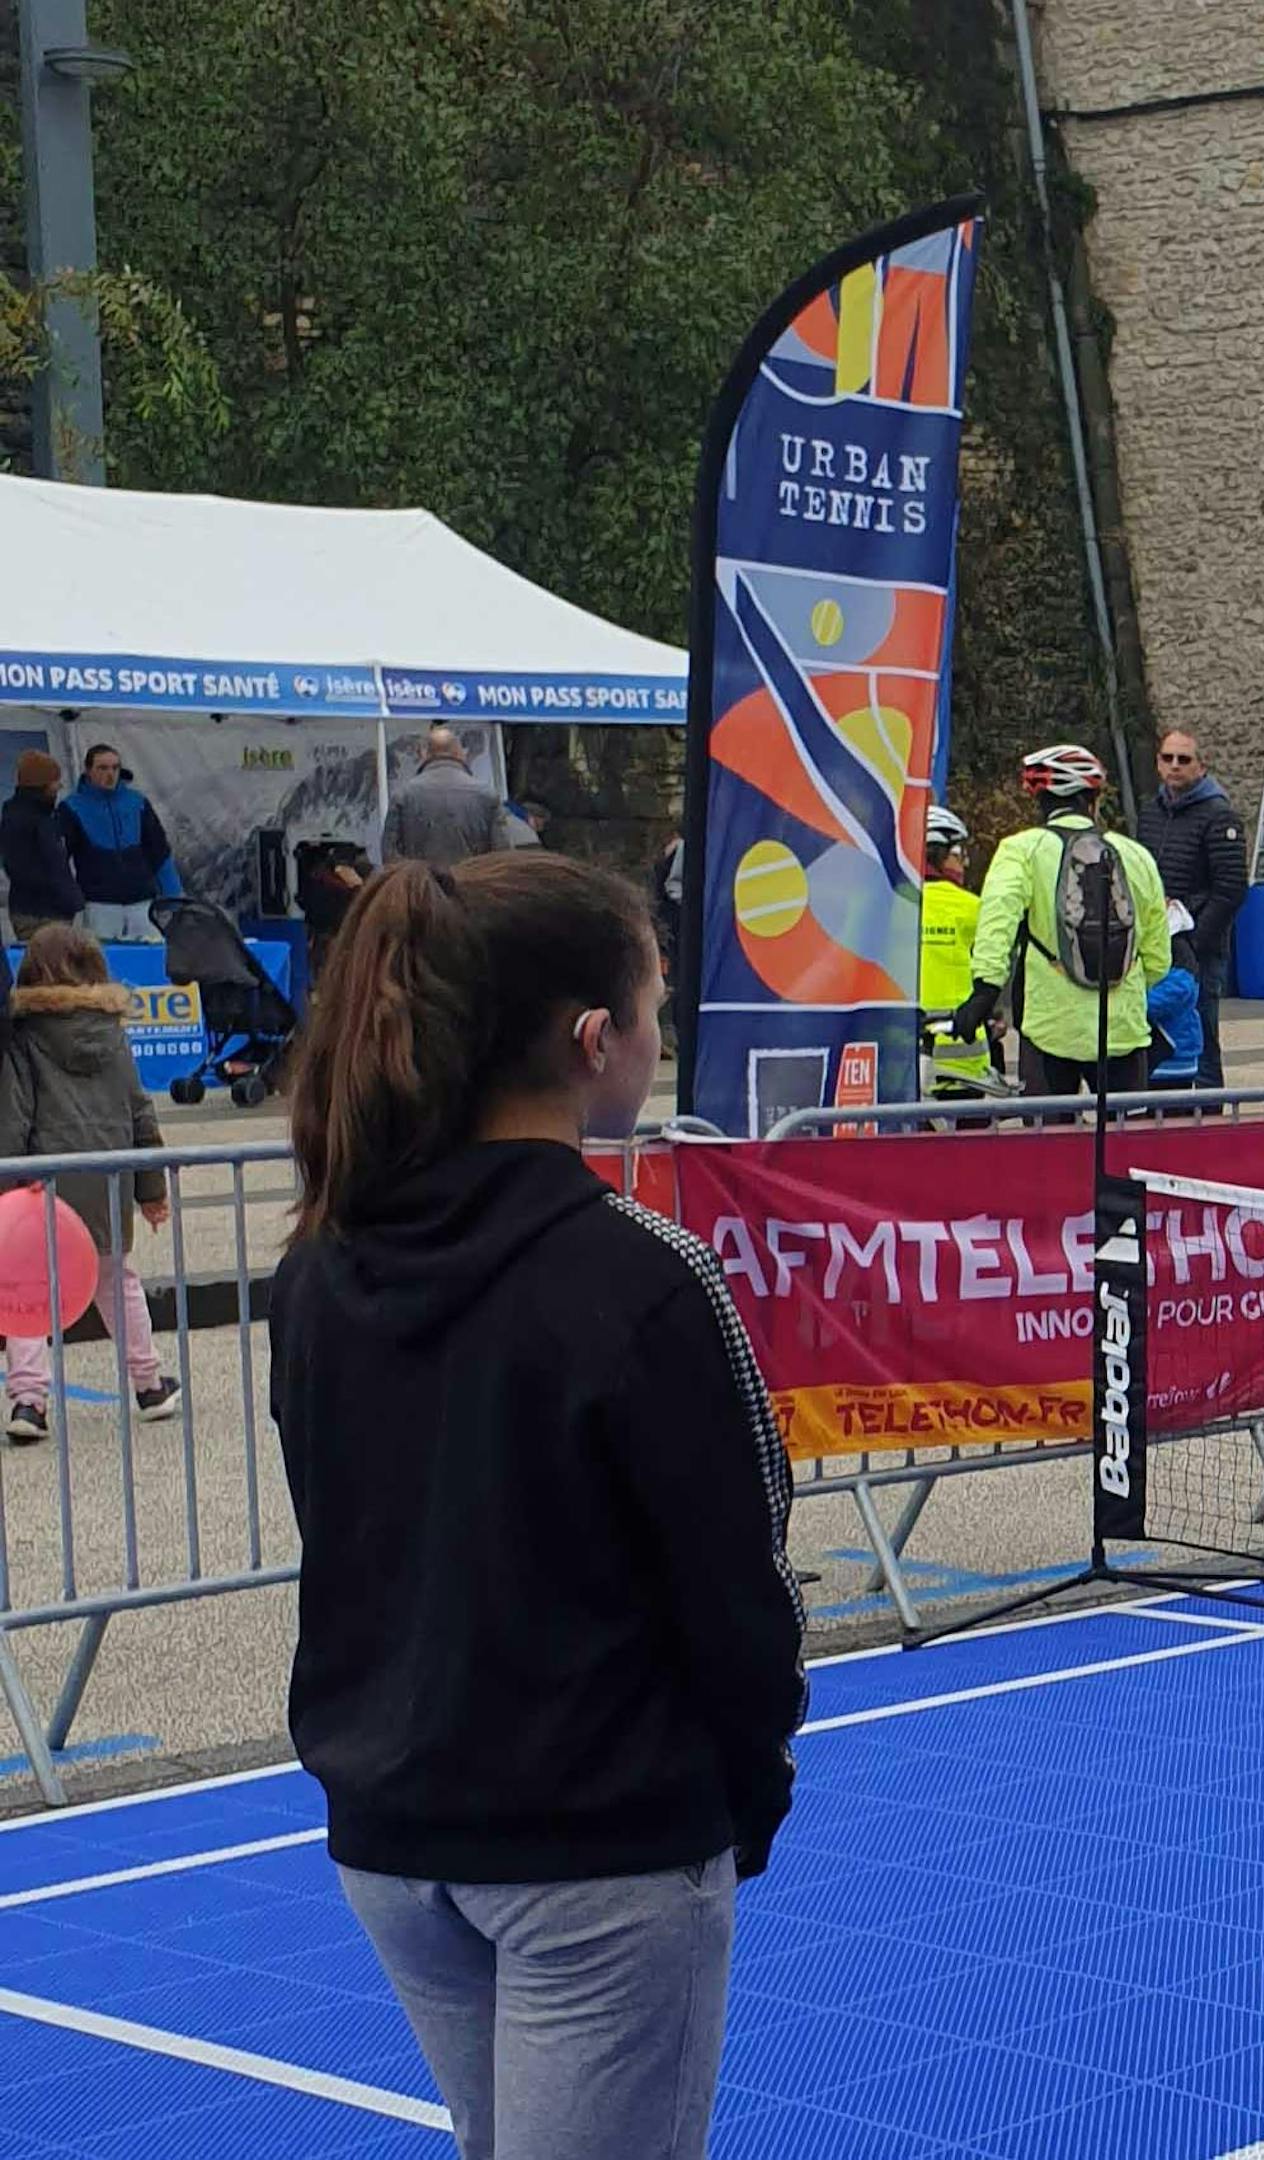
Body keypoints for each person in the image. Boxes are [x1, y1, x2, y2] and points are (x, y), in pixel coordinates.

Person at [268, 851, 800, 2160]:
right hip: (596, 1848)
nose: (661, 1039)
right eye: (656, 1012)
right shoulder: (644, 1278)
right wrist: (745, 1799)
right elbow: (741, 1591)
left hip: (395, 1840)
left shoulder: (321, 1267)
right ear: (590, 1040)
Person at [0, 928, 172, 1435]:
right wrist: (152, 1190)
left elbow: (15, 1117)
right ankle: (148, 1383)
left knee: (29, 1293)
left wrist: (7, 1183)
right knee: (118, 1282)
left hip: (43, 1188)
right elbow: (141, 1114)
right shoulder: (114, 1034)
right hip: (108, 1183)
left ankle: (29, 1402)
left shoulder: (26, 1040)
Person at [956, 743, 1174, 1096]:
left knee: (1049, 1145)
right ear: (1094, 799)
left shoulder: (1021, 850)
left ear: (1041, 800)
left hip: (1049, 1029)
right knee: (1127, 1145)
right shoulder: (1136, 856)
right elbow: (1159, 959)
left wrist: (985, 990)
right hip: (1122, 1033)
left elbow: (997, 923)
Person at [1146, 731, 1245, 1071]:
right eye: (1168, 758)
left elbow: (1231, 890)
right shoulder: (1151, 812)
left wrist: (1195, 942)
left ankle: (1208, 1113)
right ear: (1158, 763)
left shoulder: (1219, 815)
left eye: (1184, 759)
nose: (1175, 765)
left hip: (1199, 949)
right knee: (1156, 1035)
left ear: (1201, 767)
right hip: (1155, 945)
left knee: (1200, 1036)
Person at [61, 745, 177, 943]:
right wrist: (69, 900)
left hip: (142, 903)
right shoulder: (72, 807)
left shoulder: (137, 802)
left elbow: (159, 851)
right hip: (99, 905)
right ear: (88, 771)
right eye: (103, 768)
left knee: (150, 960)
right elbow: (60, 859)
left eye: (115, 768)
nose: (110, 774)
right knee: (101, 963)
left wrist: (174, 893)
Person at [915, 807, 992, 1097]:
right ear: (943, 855)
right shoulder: (974, 907)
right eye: (960, 855)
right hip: (964, 1058)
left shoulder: (891, 902)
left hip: (901, 1057)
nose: (963, 864)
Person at [384, 727, 511, 870]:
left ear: (425, 755)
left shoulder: (403, 795)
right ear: (459, 753)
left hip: (421, 889)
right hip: (472, 887)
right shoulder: (487, 795)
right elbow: (503, 857)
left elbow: (390, 858)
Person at [2, 752, 83, 937]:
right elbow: (30, 866)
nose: (59, 786)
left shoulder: (42, 815)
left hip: (48, 908)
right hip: (39, 912)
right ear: (41, 784)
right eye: (55, 781)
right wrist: (65, 895)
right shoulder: (27, 818)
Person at [1146, 904, 1212, 1088]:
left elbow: (1169, 995)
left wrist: (1132, 1000)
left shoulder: (1179, 960)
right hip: (1160, 1058)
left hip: (1173, 1058)